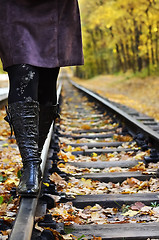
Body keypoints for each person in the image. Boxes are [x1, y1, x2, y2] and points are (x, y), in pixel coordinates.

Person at [0, 0, 83, 197]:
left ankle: (34, 158)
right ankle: (30, 166)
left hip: (55, 6)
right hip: (13, 7)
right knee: (22, 71)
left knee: (46, 82)